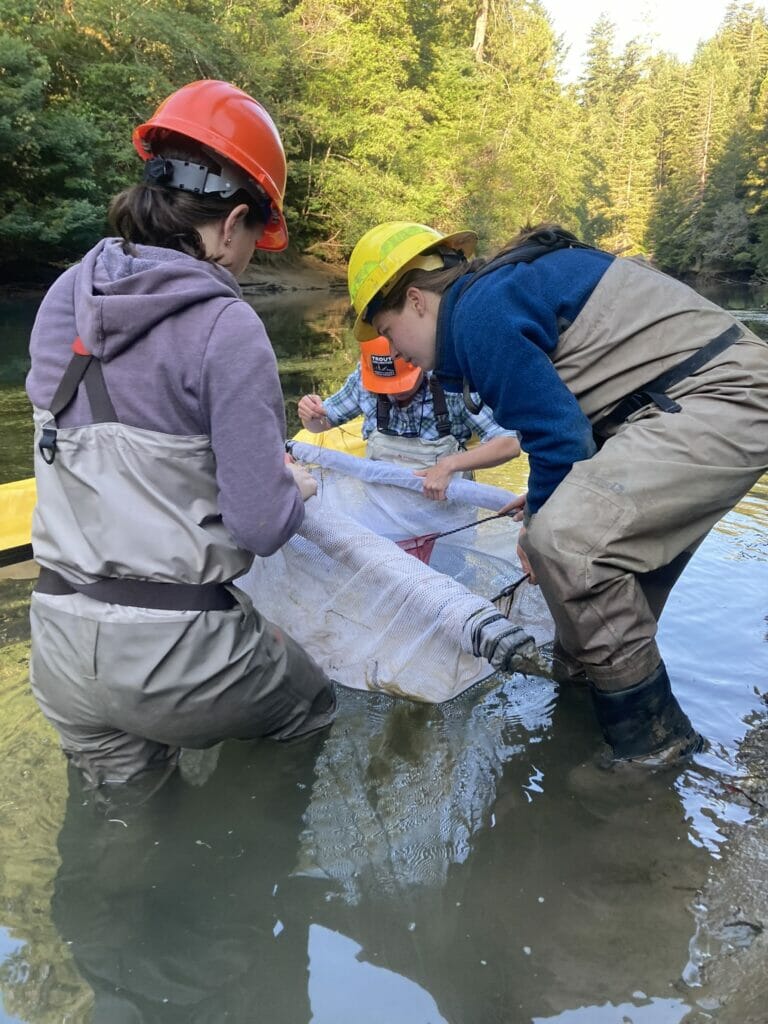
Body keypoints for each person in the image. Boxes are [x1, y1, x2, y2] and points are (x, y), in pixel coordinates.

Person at [345, 219, 768, 768]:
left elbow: (559, 437)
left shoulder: (477, 315)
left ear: (418, 301)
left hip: (721, 400)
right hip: (677, 411)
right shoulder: (491, 299)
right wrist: (555, 497)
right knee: (589, 601)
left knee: (564, 544)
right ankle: (584, 710)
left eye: (387, 330)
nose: (393, 351)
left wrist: (542, 516)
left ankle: (655, 749)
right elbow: (578, 415)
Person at [25, 80, 336, 789]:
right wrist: (293, 488)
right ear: (232, 223)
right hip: (179, 656)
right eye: (258, 236)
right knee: (311, 705)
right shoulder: (228, 328)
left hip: (61, 644)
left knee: (122, 829)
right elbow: (258, 526)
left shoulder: (63, 297)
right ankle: (247, 876)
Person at [297, 335, 520, 499]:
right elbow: (319, 426)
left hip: (445, 517)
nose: (394, 393)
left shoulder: (450, 383)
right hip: (382, 511)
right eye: (385, 386)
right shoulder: (362, 381)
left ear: (417, 362)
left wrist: (449, 465)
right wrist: (310, 415)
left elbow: (508, 443)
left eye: (401, 386)